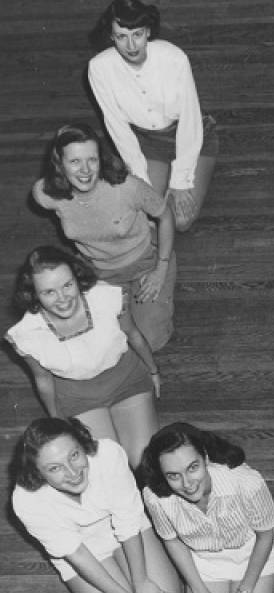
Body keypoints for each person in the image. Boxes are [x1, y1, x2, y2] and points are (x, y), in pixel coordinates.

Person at [11, 417, 181, 593]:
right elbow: (78, 555)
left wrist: (141, 582)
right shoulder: (26, 500)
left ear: (82, 445)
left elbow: (128, 523)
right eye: (55, 468)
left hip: (121, 528)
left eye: (74, 455)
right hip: (84, 549)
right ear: (38, 473)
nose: (73, 472)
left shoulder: (109, 454)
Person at [6, 246, 161, 468]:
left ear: (77, 279)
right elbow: (42, 379)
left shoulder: (107, 297)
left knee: (144, 462)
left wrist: (153, 371)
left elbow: (133, 334)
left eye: (67, 285)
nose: (62, 298)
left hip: (127, 379)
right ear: (34, 294)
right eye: (49, 292)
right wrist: (56, 419)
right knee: (109, 465)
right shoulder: (26, 335)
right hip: (78, 397)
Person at [32, 123, 176, 351]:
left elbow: (166, 216)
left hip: (146, 260)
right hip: (98, 271)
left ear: (101, 159)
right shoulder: (46, 194)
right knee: (104, 340)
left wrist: (161, 269)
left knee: (151, 340)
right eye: (75, 161)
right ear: (60, 164)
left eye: (92, 159)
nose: (85, 170)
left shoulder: (128, 188)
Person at [138, 423, 274, 593]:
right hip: (204, 561)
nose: (187, 484)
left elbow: (266, 536)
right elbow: (172, 541)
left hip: (253, 552)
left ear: (205, 457)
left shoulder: (245, 481)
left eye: (193, 468)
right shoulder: (155, 497)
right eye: (173, 475)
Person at [88, 0, 218, 231]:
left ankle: (193, 173)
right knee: (149, 219)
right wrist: (139, 176)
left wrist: (181, 181)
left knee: (181, 222)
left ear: (148, 31)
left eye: (137, 34)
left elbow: (190, 119)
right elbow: (117, 127)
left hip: (189, 136)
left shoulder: (174, 58)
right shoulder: (99, 68)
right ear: (111, 36)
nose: (131, 45)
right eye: (121, 37)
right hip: (147, 143)